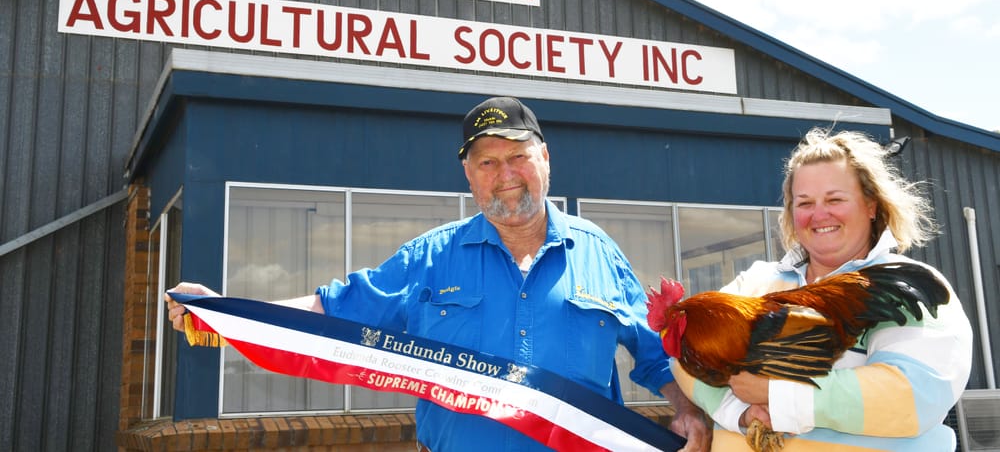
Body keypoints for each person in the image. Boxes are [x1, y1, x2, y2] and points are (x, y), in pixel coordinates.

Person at [166, 96, 711, 452]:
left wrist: (687, 409)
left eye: (518, 156)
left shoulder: (600, 253)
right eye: (487, 162)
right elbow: (328, 313)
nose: (505, 175)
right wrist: (223, 314)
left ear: (545, 158)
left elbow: (654, 354)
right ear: (468, 175)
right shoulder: (429, 258)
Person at [670, 127, 973, 451]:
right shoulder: (756, 281)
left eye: (835, 199)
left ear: (871, 205)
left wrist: (778, 394)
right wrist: (740, 411)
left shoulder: (899, 284)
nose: (818, 214)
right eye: (804, 203)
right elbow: (684, 360)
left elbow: (917, 394)